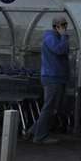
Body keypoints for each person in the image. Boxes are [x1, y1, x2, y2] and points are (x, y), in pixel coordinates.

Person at [32, 16, 71, 145]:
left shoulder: (57, 38)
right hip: (52, 77)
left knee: (53, 106)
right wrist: (64, 37)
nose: (65, 28)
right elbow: (59, 50)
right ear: (56, 26)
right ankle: (40, 136)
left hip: (57, 76)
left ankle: (33, 131)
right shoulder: (50, 38)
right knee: (49, 107)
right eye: (62, 25)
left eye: (65, 25)